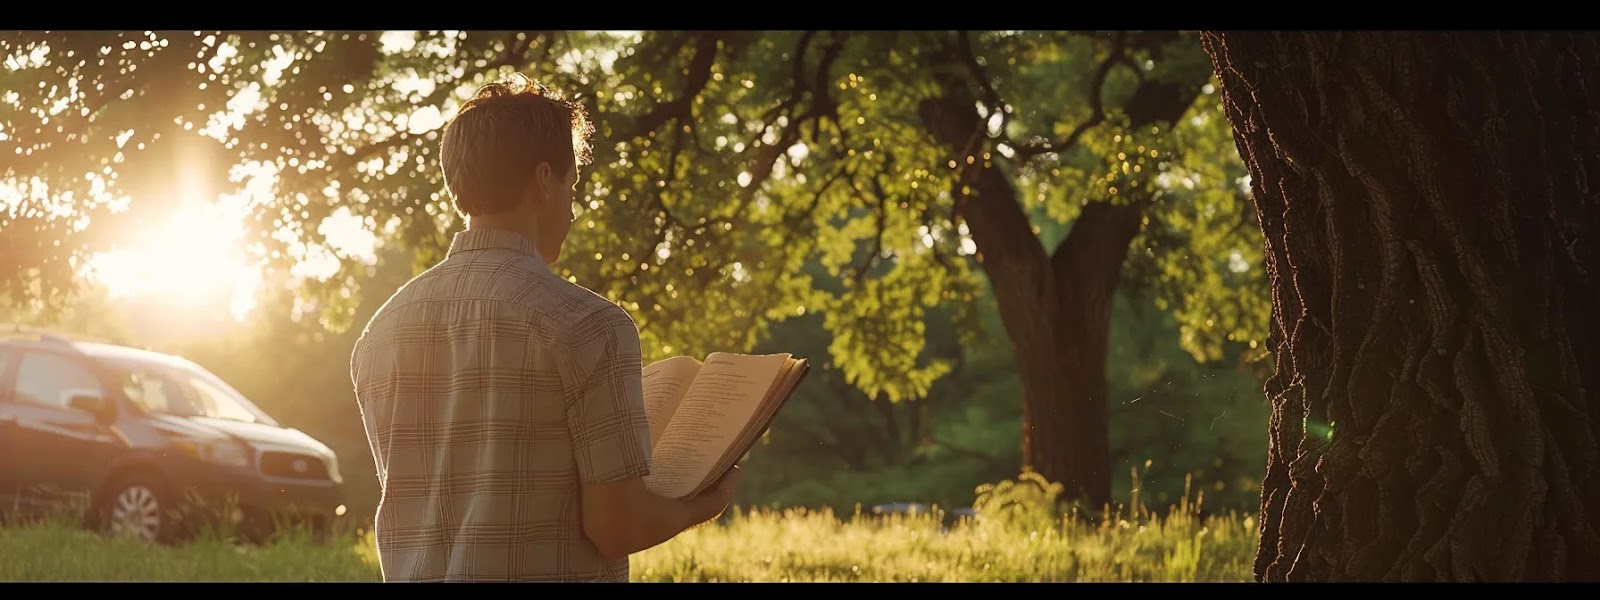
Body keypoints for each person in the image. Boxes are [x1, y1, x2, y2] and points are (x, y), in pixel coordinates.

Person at [349, 74, 741, 583]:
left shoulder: (381, 333)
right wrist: (704, 505)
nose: (572, 209)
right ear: (542, 180)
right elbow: (615, 527)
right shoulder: (589, 325)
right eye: (571, 185)